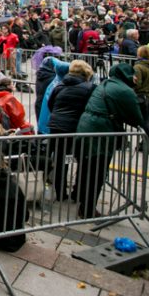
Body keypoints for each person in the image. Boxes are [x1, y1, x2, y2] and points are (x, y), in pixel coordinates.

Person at [77, 62, 145, 219]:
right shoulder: (124, 90)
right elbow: (138, 118)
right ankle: (87, 208)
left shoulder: (105, 83)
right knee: (97, 171)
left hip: (86, 126)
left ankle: (82, 201)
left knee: (87, 167)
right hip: (100, 132)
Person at [47, 60, 95, 203]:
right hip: (75, 128)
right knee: (82, 159)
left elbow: (51, 104)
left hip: (56, 126)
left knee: (61, 160)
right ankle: (77, 191)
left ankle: (60, 191)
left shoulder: (59, 85)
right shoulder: (89, 88)